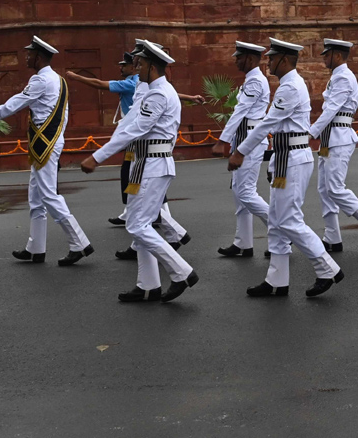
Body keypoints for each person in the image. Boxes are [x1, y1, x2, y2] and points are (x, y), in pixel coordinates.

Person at [81, 40, 196, 301]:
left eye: (140, 63)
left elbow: (136, 129)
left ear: (152, 67)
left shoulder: (159, 94)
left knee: (137, 225)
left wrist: (97, 157)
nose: (136, 67)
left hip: (153, 164)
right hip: (144, 163)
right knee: (141, 225)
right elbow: (128, 123)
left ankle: (181, 272)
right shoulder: (149, 90)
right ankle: (148, 285)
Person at [229, 39, 343, 299]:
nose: (267, 62)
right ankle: (277, 280)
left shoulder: (290, 87)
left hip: (293, 158)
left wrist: (240, 151)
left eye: (272, 58)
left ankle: (327, 267)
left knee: (287, 219)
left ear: (284, 60)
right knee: (278, 223)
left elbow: (267, 123)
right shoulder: (288, 85)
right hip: (285, 156)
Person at [0, 36, 93, 266]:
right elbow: (62, 115)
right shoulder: (59, 80)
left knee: (48, 196)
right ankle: (36, 248)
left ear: (39, 57)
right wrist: (57, 141)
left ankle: (79, 243)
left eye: (29, 54)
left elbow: (11, 107)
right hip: (47, 143)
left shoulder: (40, 81)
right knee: (36, 197)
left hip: (45, 144)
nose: (26, 57)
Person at [307, 38, 358, 253]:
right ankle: (332, 237)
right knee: (324, 189)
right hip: (330, 138)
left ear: (337, 56)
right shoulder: (337, 76)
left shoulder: (343, 78)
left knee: (335, 188)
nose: (324, 58)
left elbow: (330, 110)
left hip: (339, 137)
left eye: (326, 55)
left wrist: (310, 133)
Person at [213, 41, 271, 258]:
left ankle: (283, 231)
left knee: (246, 192)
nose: (236, 61)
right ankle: (243, 243)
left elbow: (239, 112)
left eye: (239, 57)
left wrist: (222, 140)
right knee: (240, 195)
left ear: (250, 59)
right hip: (243, 138)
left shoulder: (255, 82)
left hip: (251, 140)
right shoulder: (251, 80)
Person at [67, 51, 139, 225]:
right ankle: (131, 211)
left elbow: (99, 84)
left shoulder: (131, 83)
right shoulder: (142, 83)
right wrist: (189, 97)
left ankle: (152, 214)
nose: (121, 67)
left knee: (133, 173)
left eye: (124, 65)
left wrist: (76, 77)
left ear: (133, 67)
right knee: (132, 172)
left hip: (134, 134)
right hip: (134, 133)